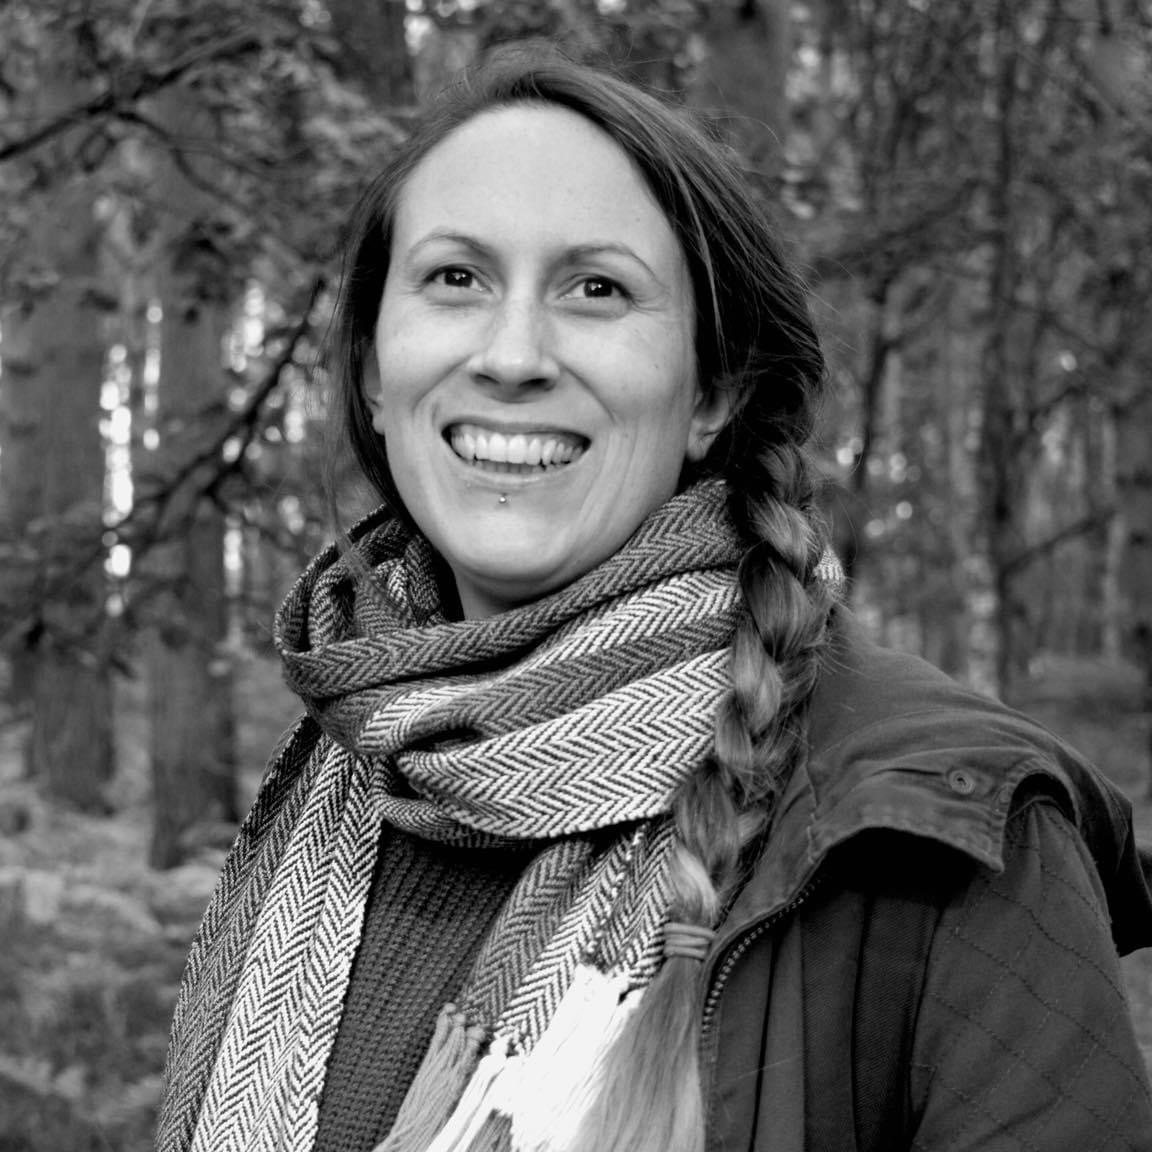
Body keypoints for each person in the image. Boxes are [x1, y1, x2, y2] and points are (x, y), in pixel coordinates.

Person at [156, 47, 1152, 1152]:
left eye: (598, 289)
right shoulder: (348, 767)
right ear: (373, 373)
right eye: (456, 279)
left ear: (712, 391)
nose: (513, 355)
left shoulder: (936, 840)